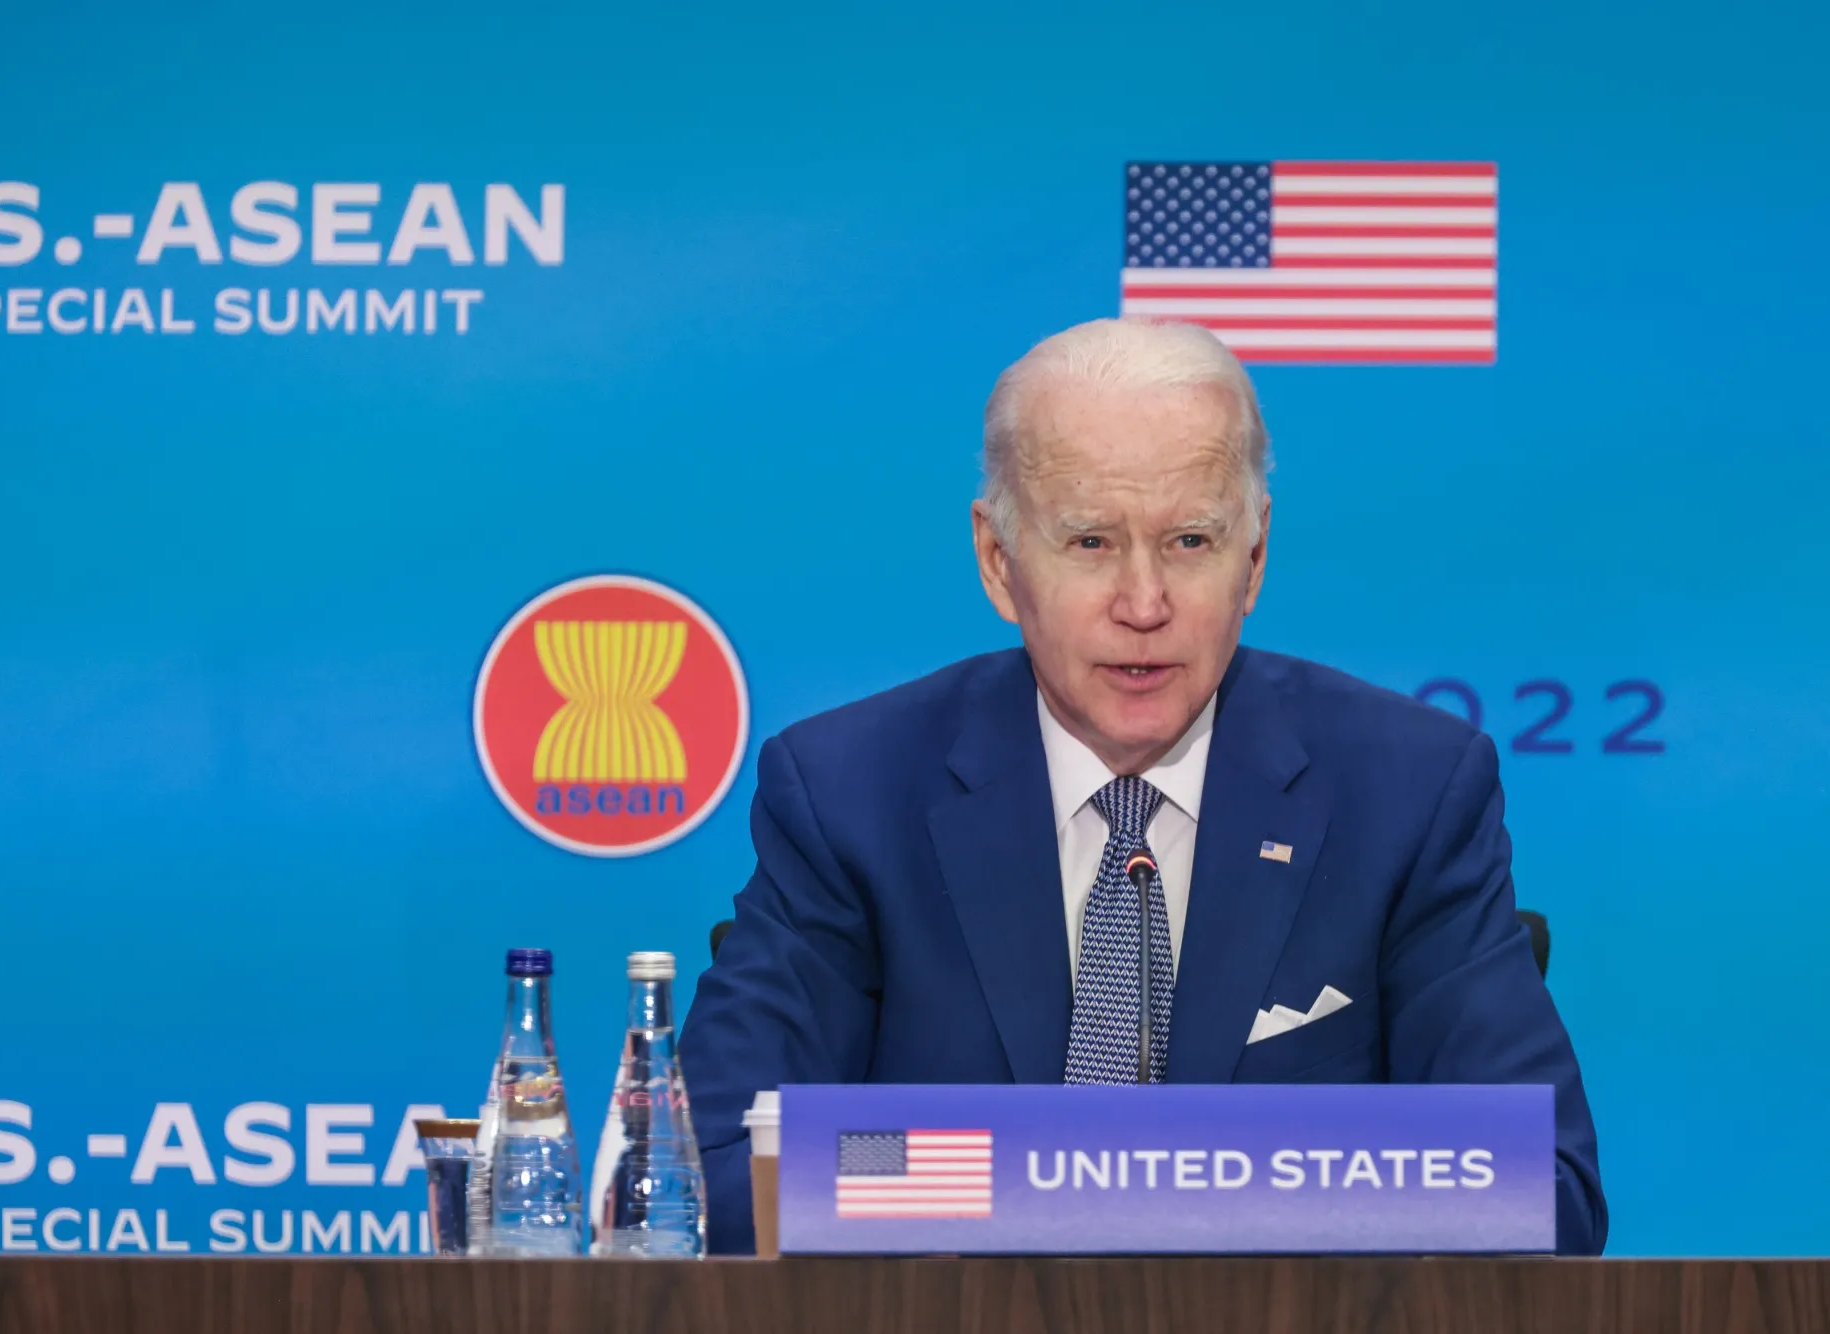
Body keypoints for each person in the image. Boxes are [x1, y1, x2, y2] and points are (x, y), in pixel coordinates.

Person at [678, 318, 1607, 1255]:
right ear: (1000, 562)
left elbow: (1544, 1194)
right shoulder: (849, 795)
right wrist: (1063, 1174)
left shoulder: (1407, 793)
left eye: (1191, 541)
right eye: (1089, 542)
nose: (1144, 603)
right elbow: (712, 1173)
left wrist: (1106, 1176)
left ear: (1254, 557)